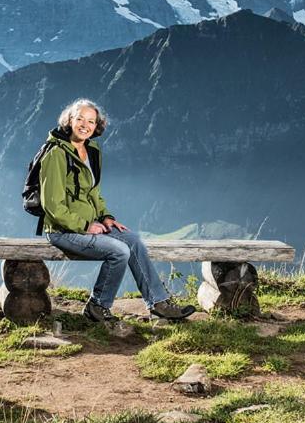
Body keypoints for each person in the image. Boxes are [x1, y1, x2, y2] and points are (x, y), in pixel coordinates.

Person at [39, 98, 196, 323]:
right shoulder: (56, 154)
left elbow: (93, 193)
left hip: (89, 225)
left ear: (97, 126)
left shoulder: (90, 150)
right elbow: (52, 206)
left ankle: (159, 303)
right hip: (62, 230)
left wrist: (106, 217)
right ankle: (98, 306)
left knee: (132, 240)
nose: (85, 125)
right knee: (119, 251)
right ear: (69, 121)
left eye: (91, 121)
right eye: (80, 119)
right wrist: (85, 226)